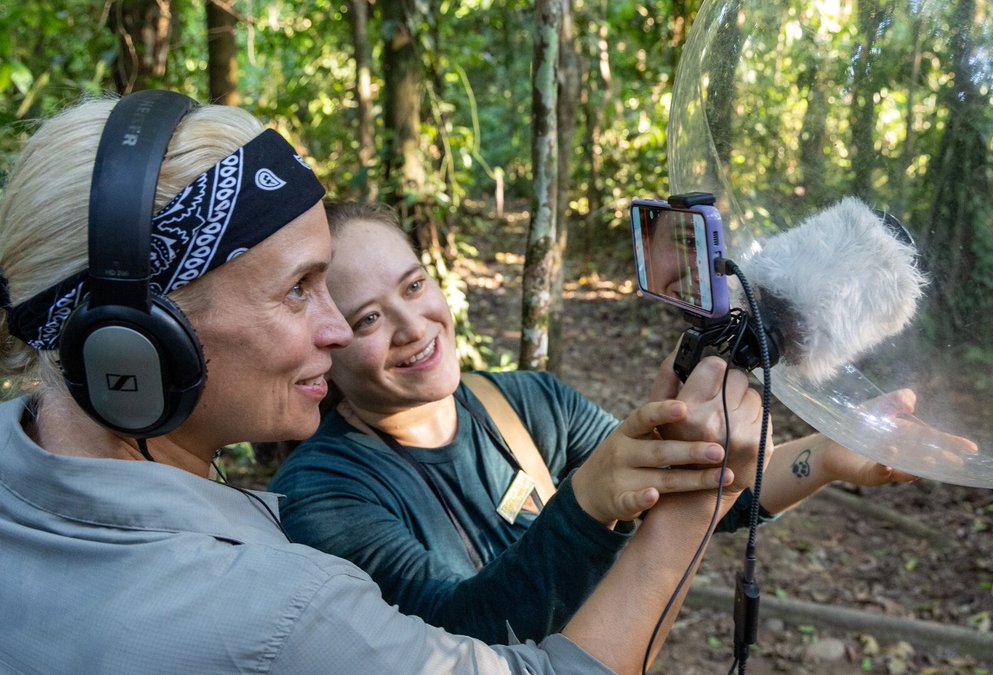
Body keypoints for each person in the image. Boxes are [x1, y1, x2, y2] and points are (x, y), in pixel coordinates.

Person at [0, 93, 765, 674]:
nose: (335, 332)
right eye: (300, 289)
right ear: (132, 346)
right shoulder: (276, 609)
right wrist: (693, 507)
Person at [269, 200, 929, 645]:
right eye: (369, 318)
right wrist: (587, 501)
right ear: (326, 337)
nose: (415, 328)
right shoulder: (321, 491)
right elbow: (452, 634)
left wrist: (830, 455)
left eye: (414, 287)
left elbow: (708, 502)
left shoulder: (526, 403)